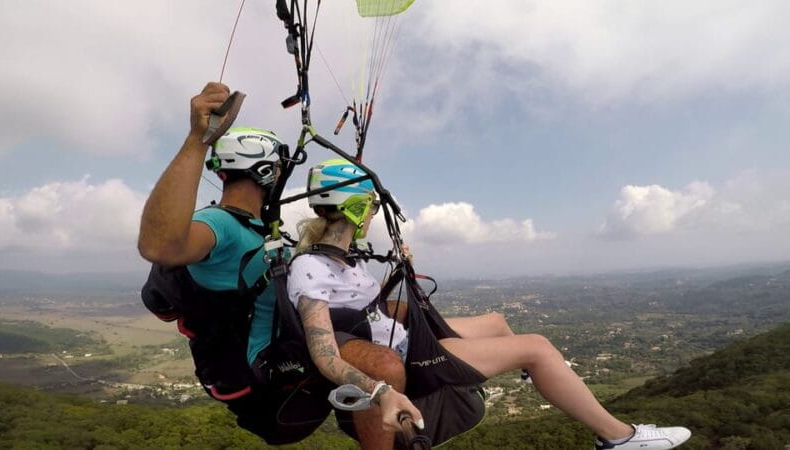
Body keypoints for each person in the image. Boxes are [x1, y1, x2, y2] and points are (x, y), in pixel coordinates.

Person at [287, 159, 693, 450]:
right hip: (404, 355)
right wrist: (378, 391)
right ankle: (620, 437)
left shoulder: (341, 260)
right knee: (536, 347)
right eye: (371, 207)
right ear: (356, 207)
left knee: (497, 321)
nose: (374, 215)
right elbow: (323, 352)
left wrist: (400, 273)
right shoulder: (310, 267)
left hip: (403, 338)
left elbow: (363, 311)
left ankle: (548, 380)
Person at [138, 82, 326, 444]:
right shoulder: (222, 224)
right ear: (269, 173)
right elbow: (161, 244)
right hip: (272, 393)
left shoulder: (259, 232)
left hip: (269, 388)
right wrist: (198, 139)